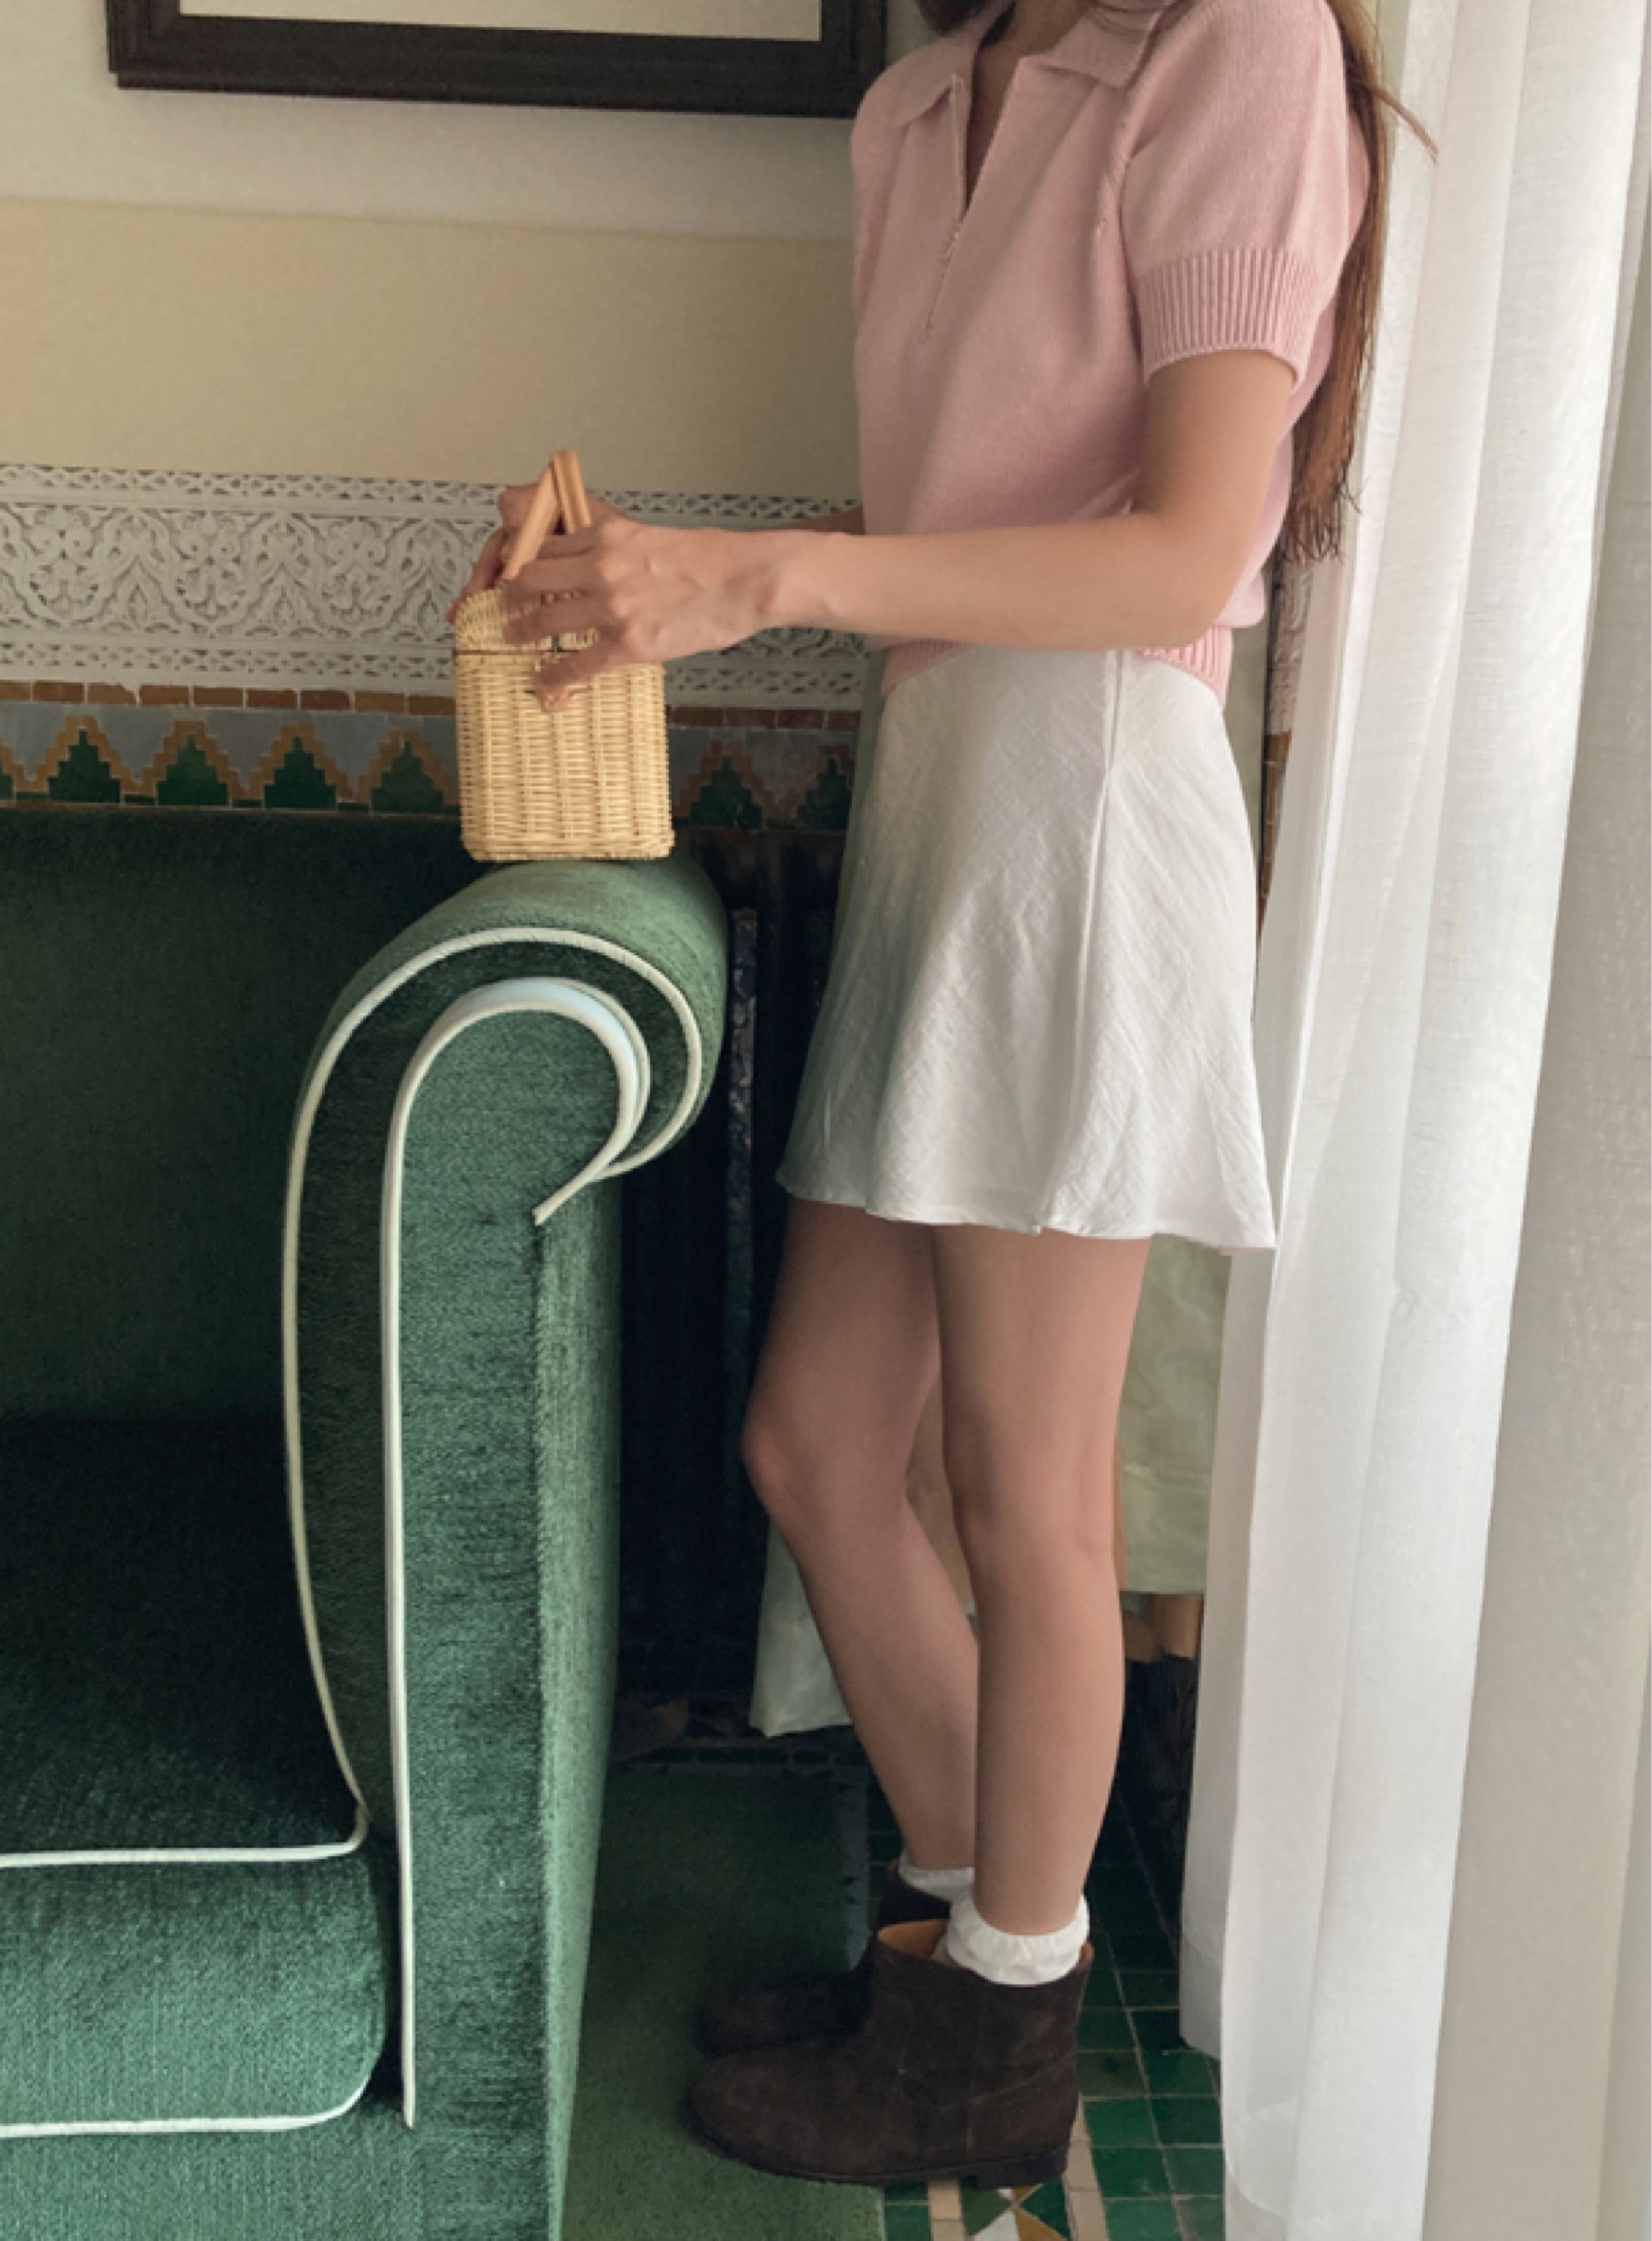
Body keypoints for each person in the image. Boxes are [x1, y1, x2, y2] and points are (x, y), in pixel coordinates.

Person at [452, 0, 1405, 2192]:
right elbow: (962, 523)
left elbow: (1181, 555)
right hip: (944, 792)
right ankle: (980, 1984)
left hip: (1083, 809)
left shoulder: (1237, 42)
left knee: (1024, 1492)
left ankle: (990, 2034)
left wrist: (766, 578)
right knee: (814, 1442)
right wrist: (644, 580)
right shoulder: (918, 104)